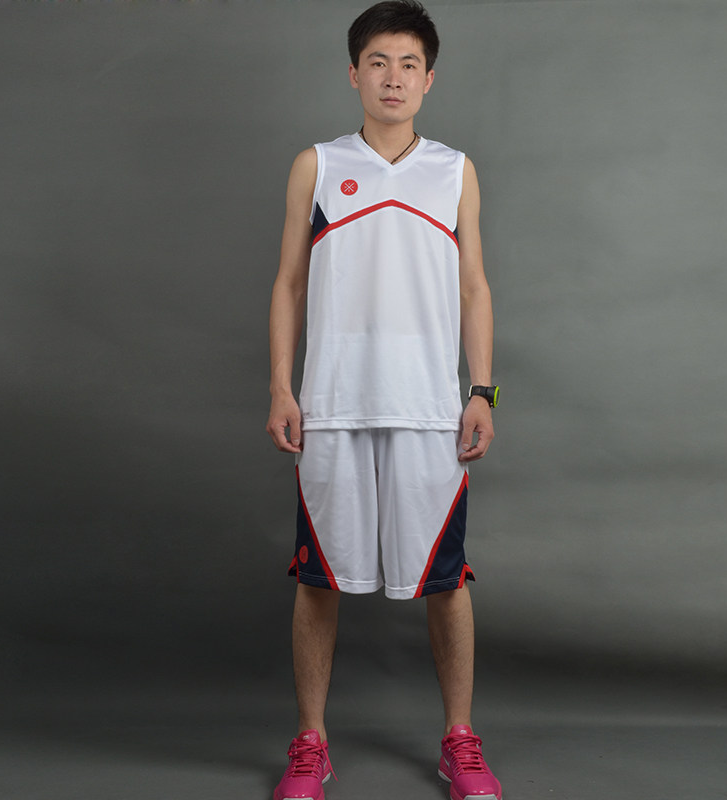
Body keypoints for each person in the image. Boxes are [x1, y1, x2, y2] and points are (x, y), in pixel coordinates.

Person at [266, 2, 500, 798]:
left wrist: (481, 391)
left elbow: (474, 287)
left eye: (408, 64)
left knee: (447, 580)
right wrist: (282, 386)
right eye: (378, 62)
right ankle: (310, 744)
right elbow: (289, 283)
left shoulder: (454, 170)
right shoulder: (317, 165)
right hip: (332, 403)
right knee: (318, 579)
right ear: (353, 73)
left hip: (430, 408)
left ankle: (460, 741)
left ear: (428, 79)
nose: (393, 77)